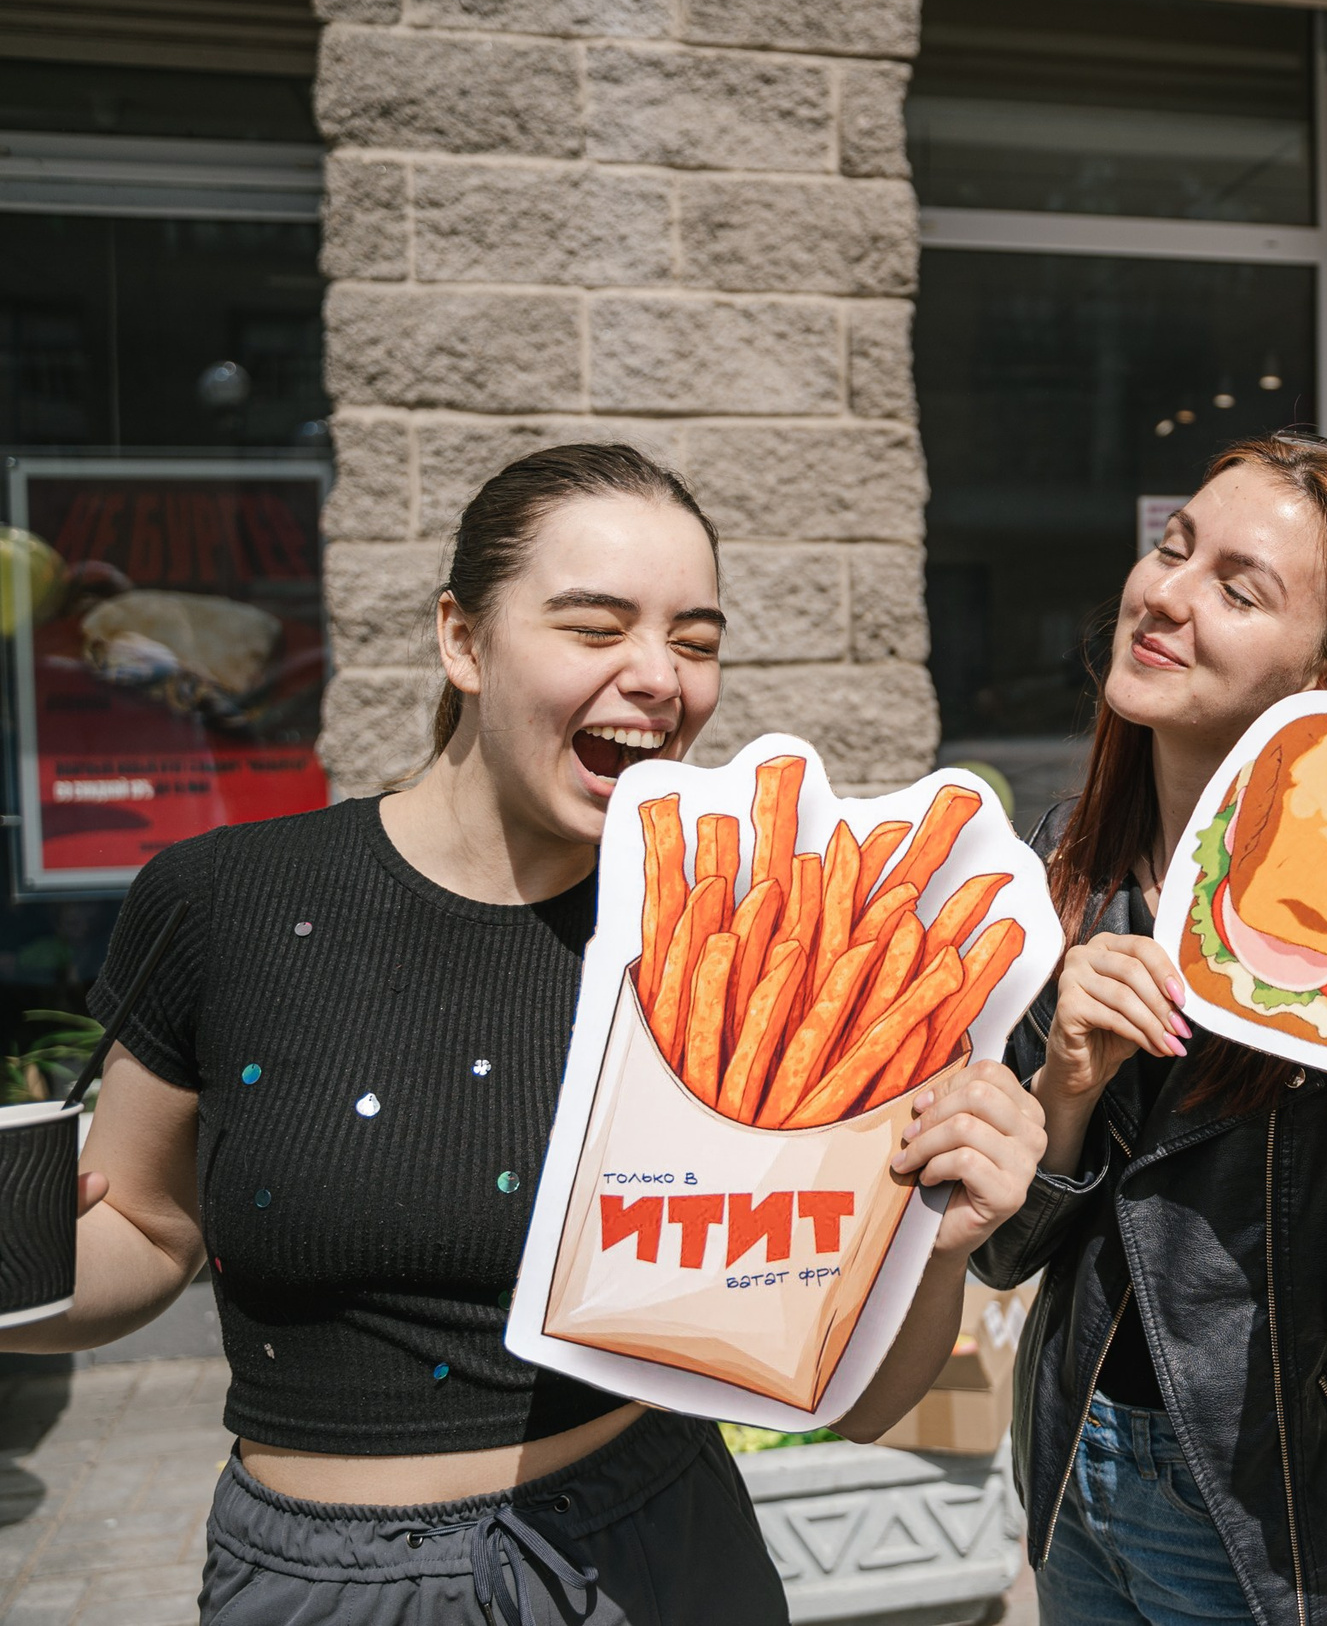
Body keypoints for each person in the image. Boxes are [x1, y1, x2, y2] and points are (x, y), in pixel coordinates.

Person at [1, 444, 1048, 1624]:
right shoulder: (222, 900)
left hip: (660, 1551)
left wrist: (943, 1241)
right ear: (463, 640)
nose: (660, 677)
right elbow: (144, 1227)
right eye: (596, 627)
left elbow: (860, 1399)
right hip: (325, 1587)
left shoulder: (750, 943)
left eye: (696, 642)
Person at [972, 431, 1327, 1626]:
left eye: (1237, 586)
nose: (1165, 594)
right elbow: (1001, 1251)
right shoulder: (1072, 869)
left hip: (1277, 1531)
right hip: (1074, 1482)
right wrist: (1060, 1084)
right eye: (1172, 548)